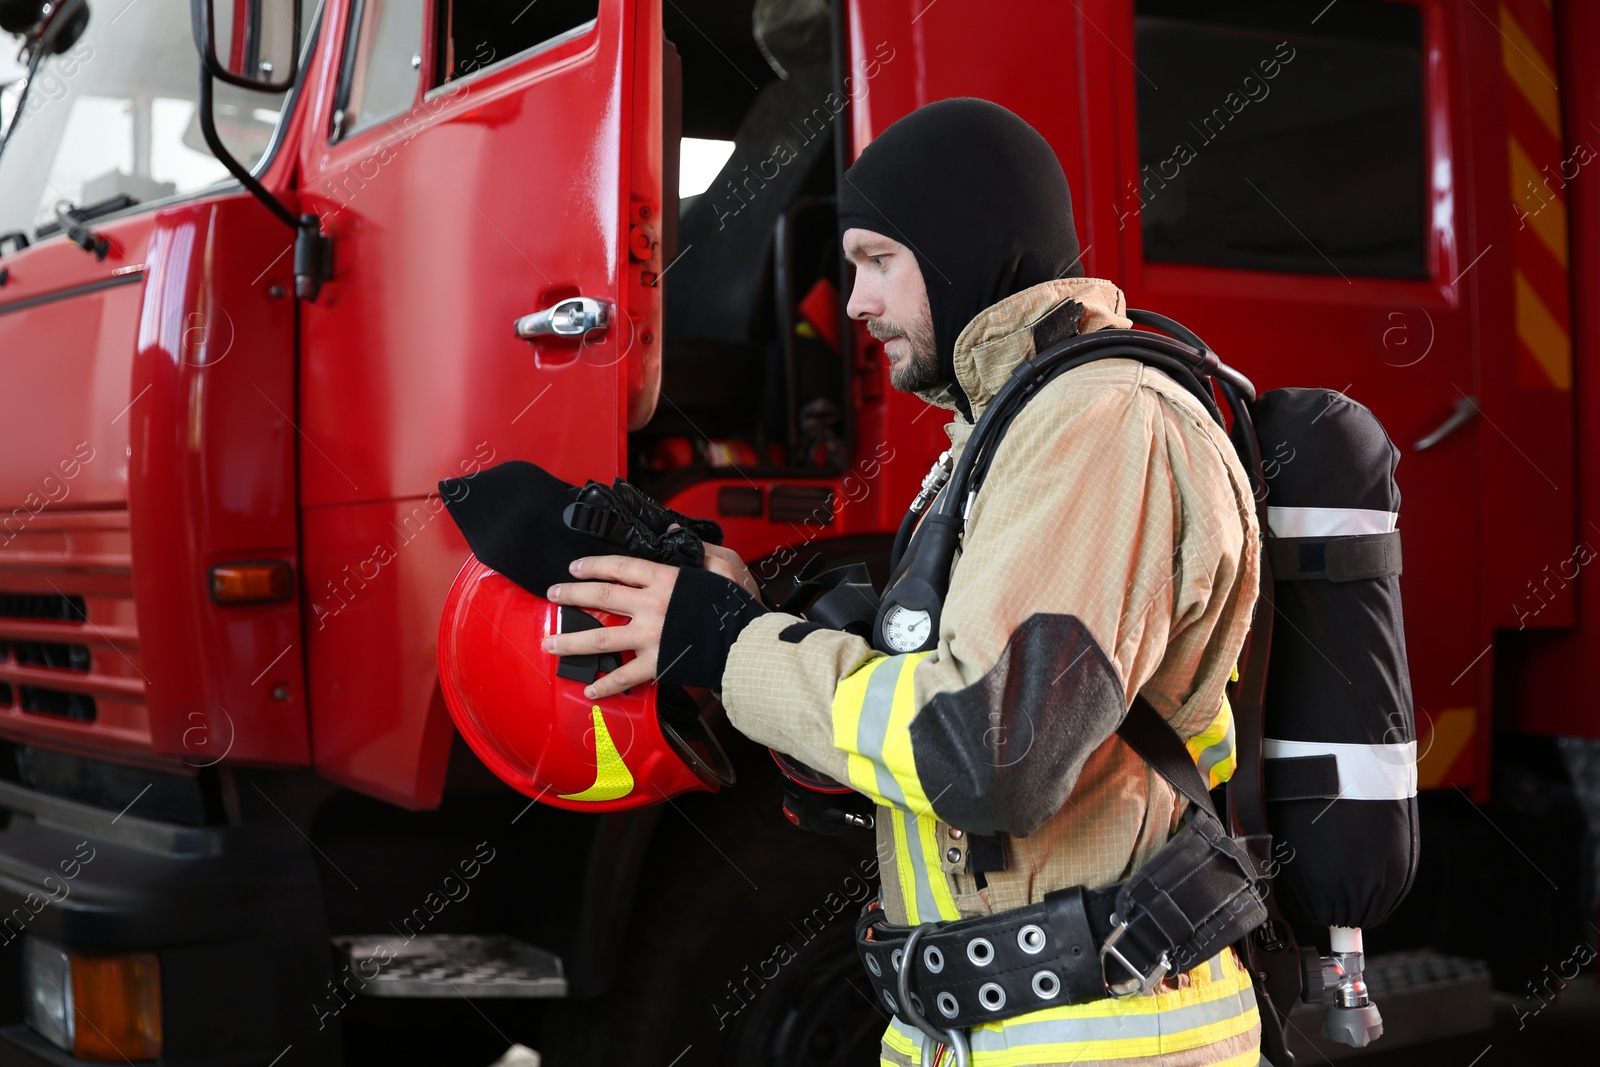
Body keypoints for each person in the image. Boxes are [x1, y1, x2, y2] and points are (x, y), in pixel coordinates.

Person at [540, 98, 1262, 1067]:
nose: (853, 303)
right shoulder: (1009, 428)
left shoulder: (1103, 424)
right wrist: (746, 619)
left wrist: (733, 645)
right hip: (986, 1029)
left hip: (1101, 1039)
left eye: (878, 260)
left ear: (965, 245)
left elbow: (985, 754)